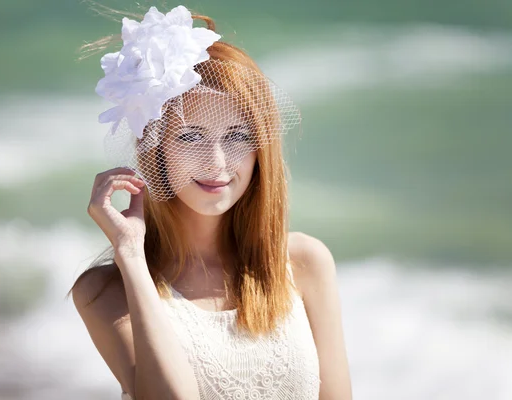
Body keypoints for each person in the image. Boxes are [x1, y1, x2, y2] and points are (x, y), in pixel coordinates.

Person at [70, 5, 352, 400]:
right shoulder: (105, 292)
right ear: (157, 151)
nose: (217, 163)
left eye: (237, 136)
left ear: (260, 150)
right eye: (190, 137)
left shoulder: (304, 262)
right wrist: (131, 256)